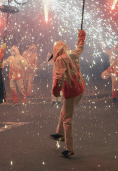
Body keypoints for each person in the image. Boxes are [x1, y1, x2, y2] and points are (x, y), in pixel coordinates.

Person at [49, 30, 86, 158]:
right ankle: (59, 134)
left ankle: (69, 149)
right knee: (64, 111)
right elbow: (80, 48)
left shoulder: (60, 59)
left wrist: (55, 92)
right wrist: (81, 35)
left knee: (67, 120)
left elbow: (59, 78)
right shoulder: (71, 54)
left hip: (71, 91)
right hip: (80, 88)